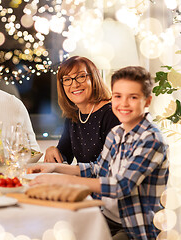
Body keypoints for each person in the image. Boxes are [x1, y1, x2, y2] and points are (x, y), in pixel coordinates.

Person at [28, 66, 169, 240]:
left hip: (134, 228)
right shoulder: (117, 133)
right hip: (106, 216)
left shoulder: (151, 139)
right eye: (118, 96)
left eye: (133, 97)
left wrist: (61, 180)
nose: (123, 103)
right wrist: (54, 168)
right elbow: (97, 169)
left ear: (147, 101)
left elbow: (120, 186)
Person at [45, 56, 120, 164]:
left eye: (81, 76)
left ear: (94, 78)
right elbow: (64, 154)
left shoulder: (111, 114)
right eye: (67, 79)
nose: (74, 84)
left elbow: (109, 166)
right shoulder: (73, 116)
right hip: (80, 179)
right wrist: (52, 150)